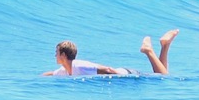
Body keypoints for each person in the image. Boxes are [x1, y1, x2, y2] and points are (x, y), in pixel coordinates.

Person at [44, 28, 178, 76]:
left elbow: (107, 69)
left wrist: (119, 79)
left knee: (162, 77)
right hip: (124, 74)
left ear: (63, 55)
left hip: (126, 75)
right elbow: (51, 74)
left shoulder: (79, 65)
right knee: (161, 76)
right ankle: (165, 45)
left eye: (56, 52)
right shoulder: (65, 70)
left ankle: (148, 51)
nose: (55, 55)